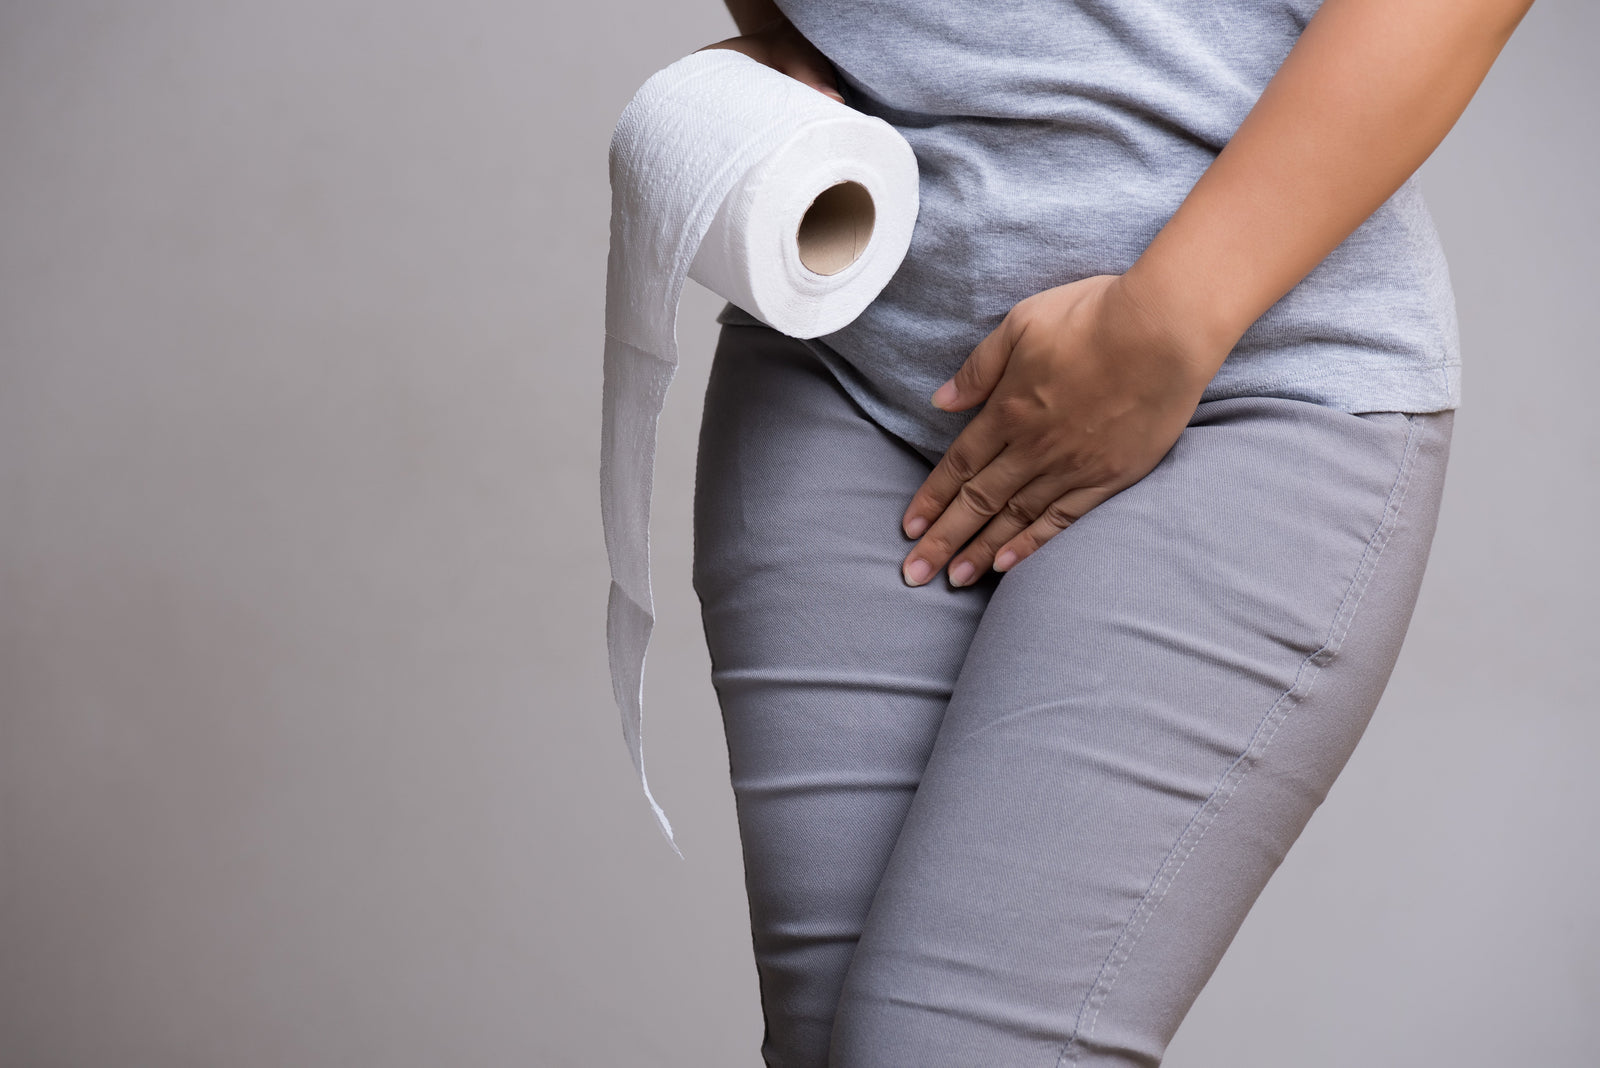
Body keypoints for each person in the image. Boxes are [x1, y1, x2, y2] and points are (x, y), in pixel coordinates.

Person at [691, 1, 1535, 1065]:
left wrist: (1166, 320)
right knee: (828, 1046)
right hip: (841, 352)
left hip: (1241, 371)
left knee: (945, 1048)